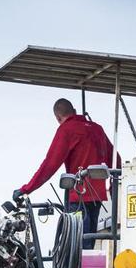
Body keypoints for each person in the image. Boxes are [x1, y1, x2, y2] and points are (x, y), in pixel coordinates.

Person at [13, 99, 120, 250]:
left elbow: (50, 165)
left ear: (58, 117)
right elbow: (117, 160)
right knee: (88, 243)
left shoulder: (67, 130)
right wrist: (116, 185)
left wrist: (26, 189)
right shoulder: (97, 129)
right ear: (74, 110)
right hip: (97, 198)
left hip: (78, 196)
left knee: (76, 245)